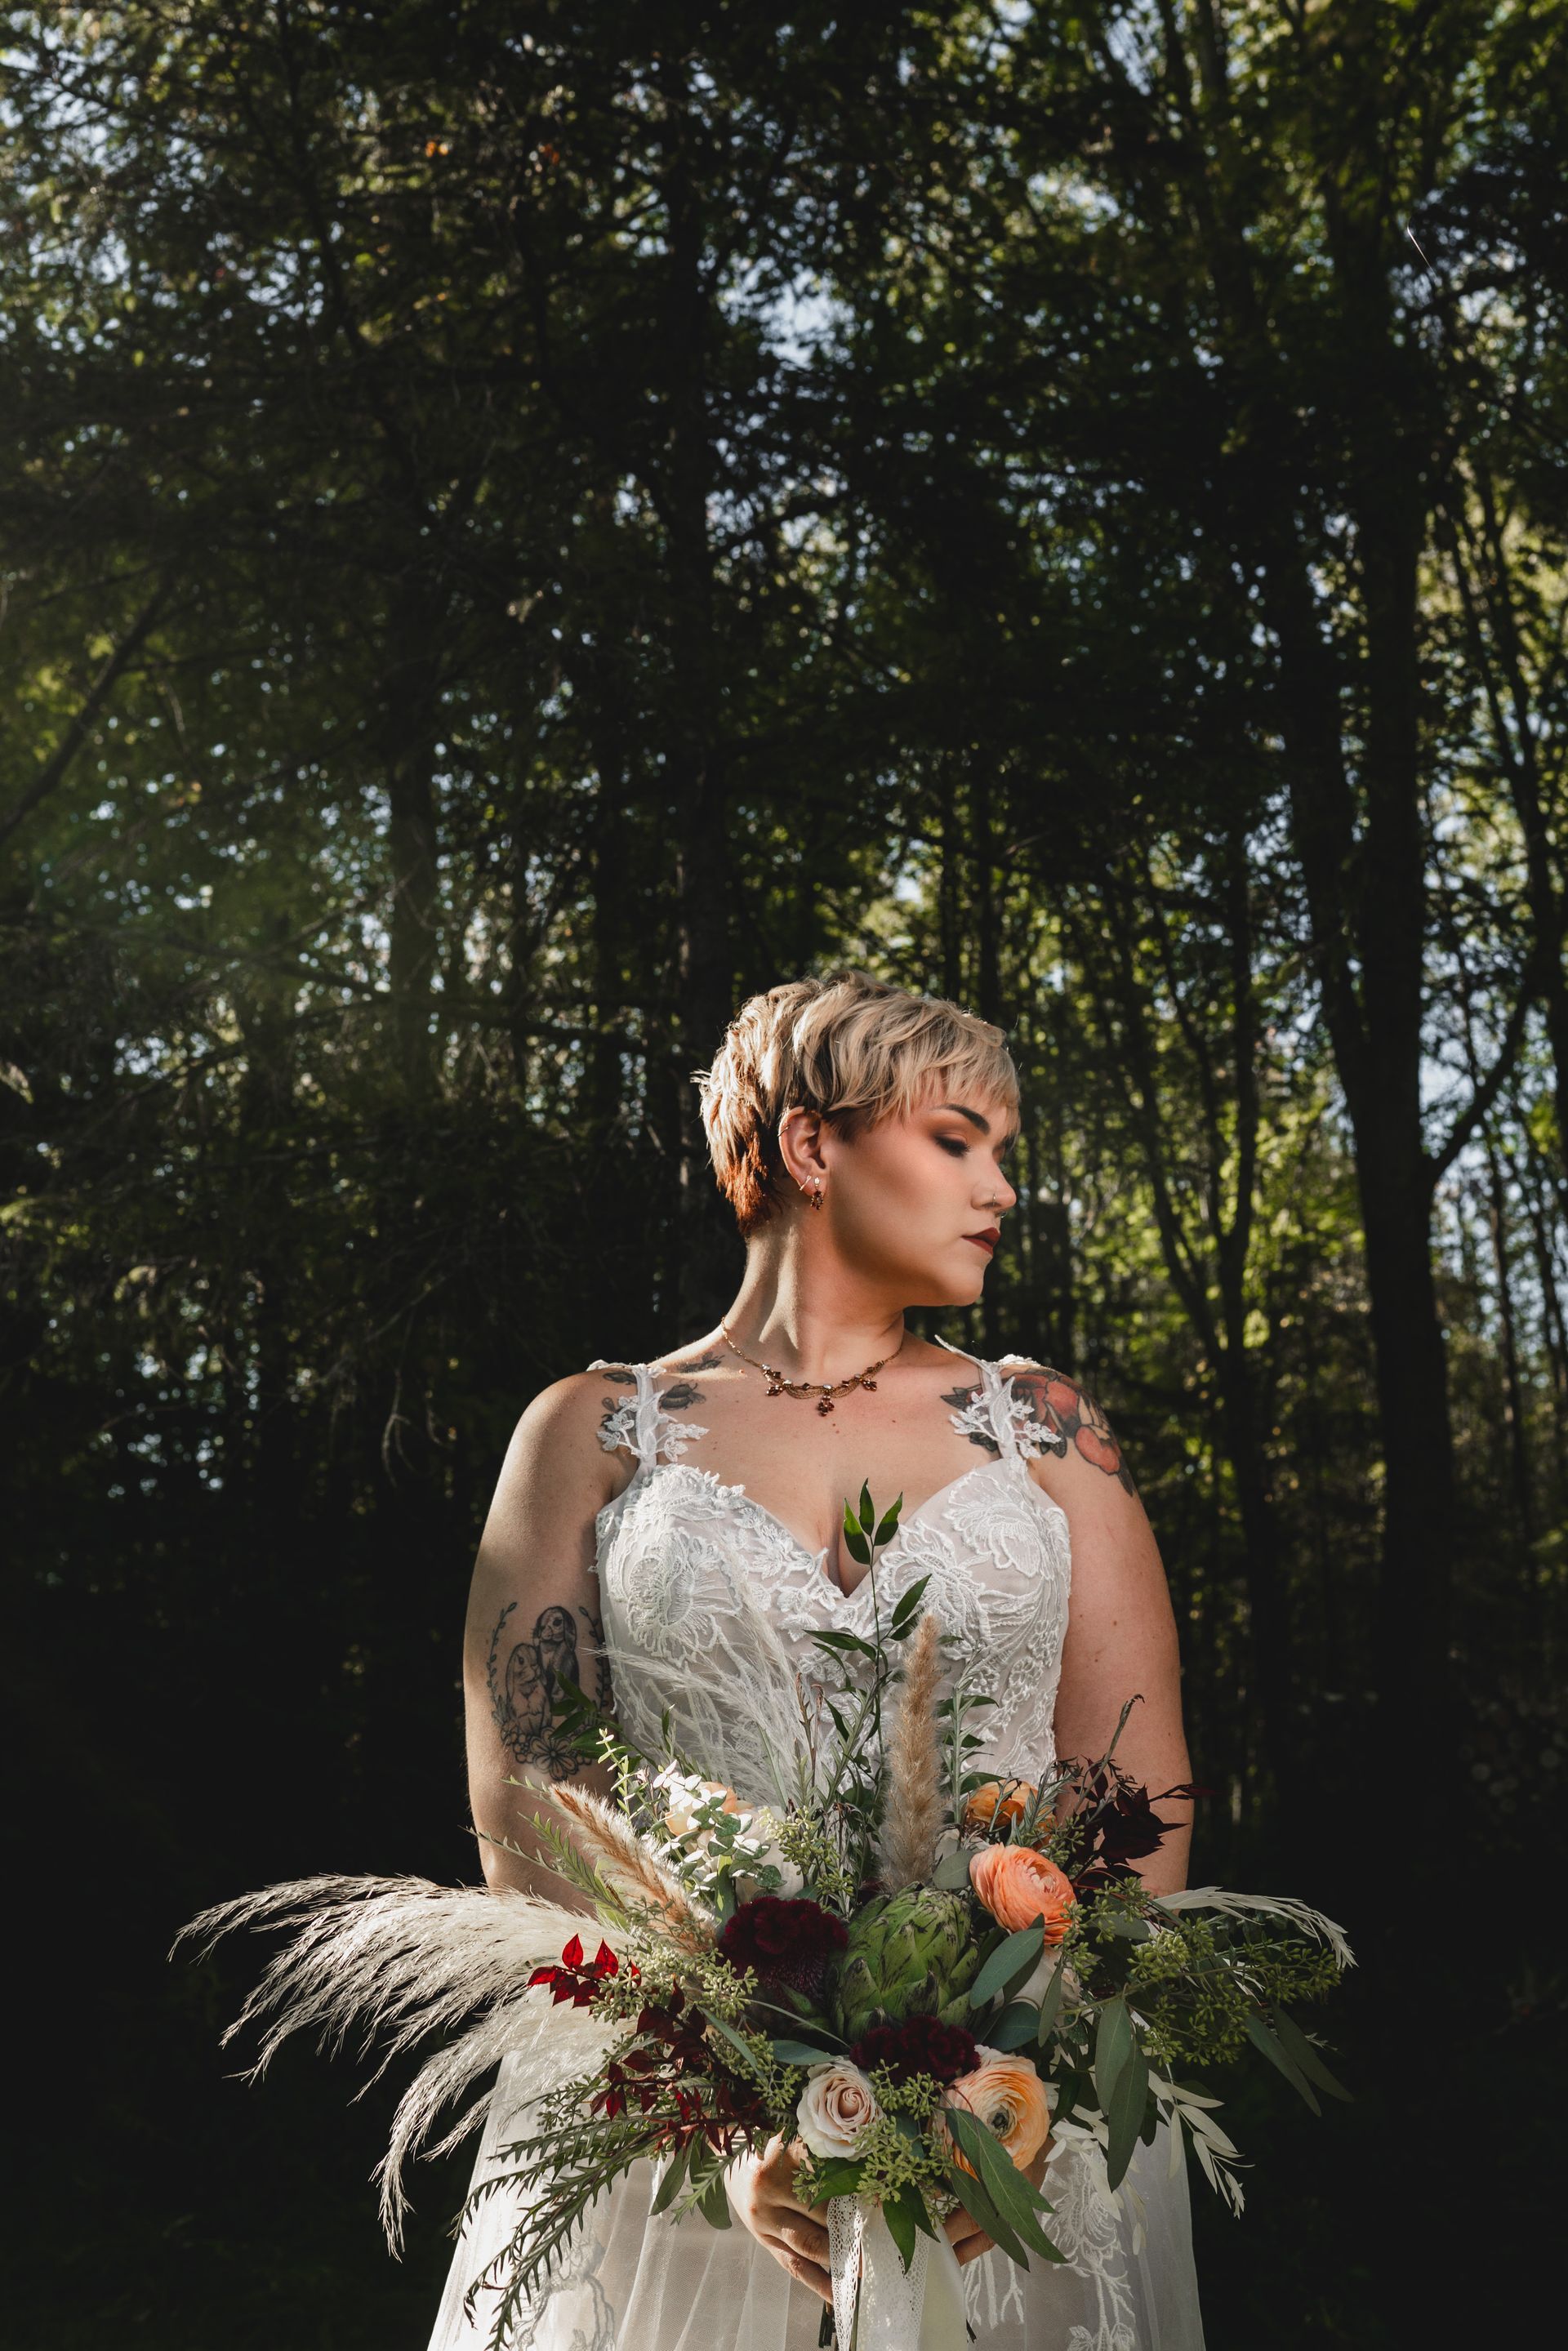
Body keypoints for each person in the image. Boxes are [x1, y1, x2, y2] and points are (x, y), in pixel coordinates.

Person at [429, 970, 1204, 2351]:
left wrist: (1014, 2093)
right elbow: (530, 1810)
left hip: (1009, 2139)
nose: (1000, 1189)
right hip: (668, 2123)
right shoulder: (594, 1431)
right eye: (958, 1140)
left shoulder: (1044, 1428)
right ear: (811, 1147)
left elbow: (1137, 1792)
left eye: (1002, 1155)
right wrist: (732, 2108)